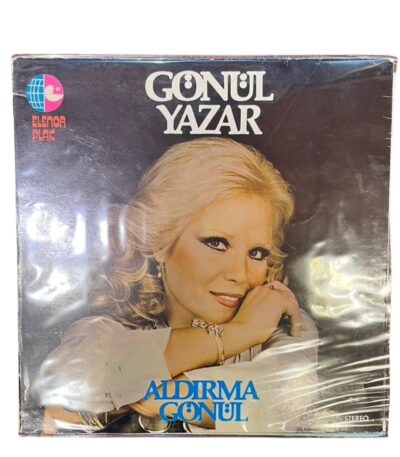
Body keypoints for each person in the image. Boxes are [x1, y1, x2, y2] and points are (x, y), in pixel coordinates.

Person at [33, 137, 319, 435]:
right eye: (217, 243)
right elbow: (66, 396)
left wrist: (142, 394)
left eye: (257, 253)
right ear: (160, 242)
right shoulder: (101, 332)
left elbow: (280, 405)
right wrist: (240, 332)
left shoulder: (286, 328)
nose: (240, 274)